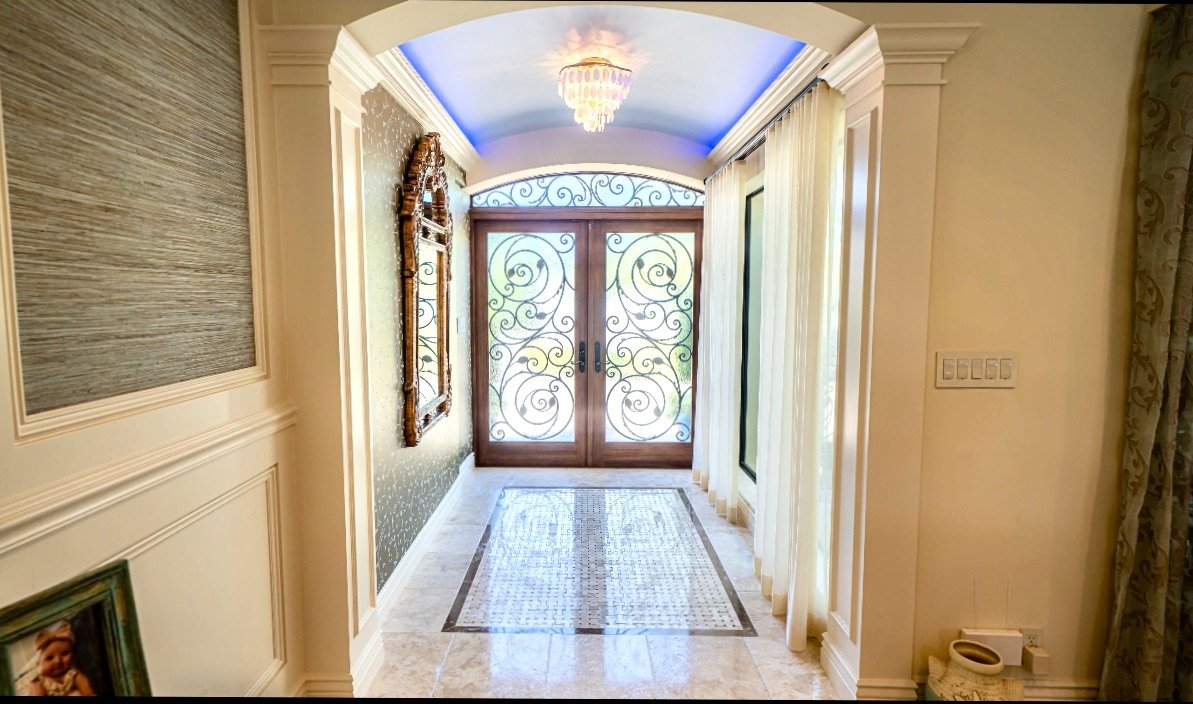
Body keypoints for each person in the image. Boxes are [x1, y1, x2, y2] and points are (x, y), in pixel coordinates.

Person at [21, 620, 95, 696]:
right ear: (38, 664)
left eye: (65, 653)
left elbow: (88, 691)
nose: (58, 661)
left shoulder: (72, 675)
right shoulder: (40, 682)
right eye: (49, 658)